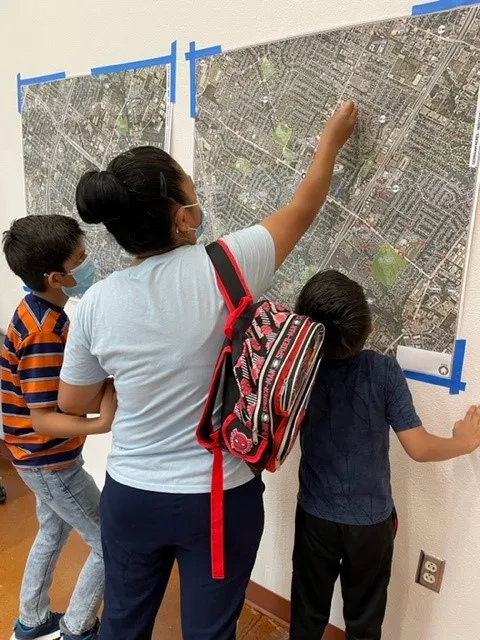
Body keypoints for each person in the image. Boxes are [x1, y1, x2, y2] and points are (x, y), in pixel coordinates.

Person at [54, 100, 358, 640]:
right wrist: (330, 140)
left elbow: (73, 404)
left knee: (122, 624)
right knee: (211, 632)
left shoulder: (97, 303)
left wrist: (132, 379)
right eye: (191, 189)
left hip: (131, 496)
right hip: (219, 499)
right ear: (182, 216)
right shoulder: (229, 263)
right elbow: (306, 203)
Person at [289, 269, 480, 640]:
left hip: (314, 517)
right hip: (370, 525)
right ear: (370, 328)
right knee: (364, 622)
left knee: (307, 617)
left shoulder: (301, 372)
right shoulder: (383, 372)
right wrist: (464, 442)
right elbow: (419, 447)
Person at [1, 215, 117, 640]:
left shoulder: (39, 310)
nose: (88, 266)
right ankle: (78, 629)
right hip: (50, 462)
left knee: (52, 529)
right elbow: (42, 417)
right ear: (55, 277)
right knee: (110, 542)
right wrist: (100, 422)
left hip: (35, 458)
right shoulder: (44, 331)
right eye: (81, 260)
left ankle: (31, 621)